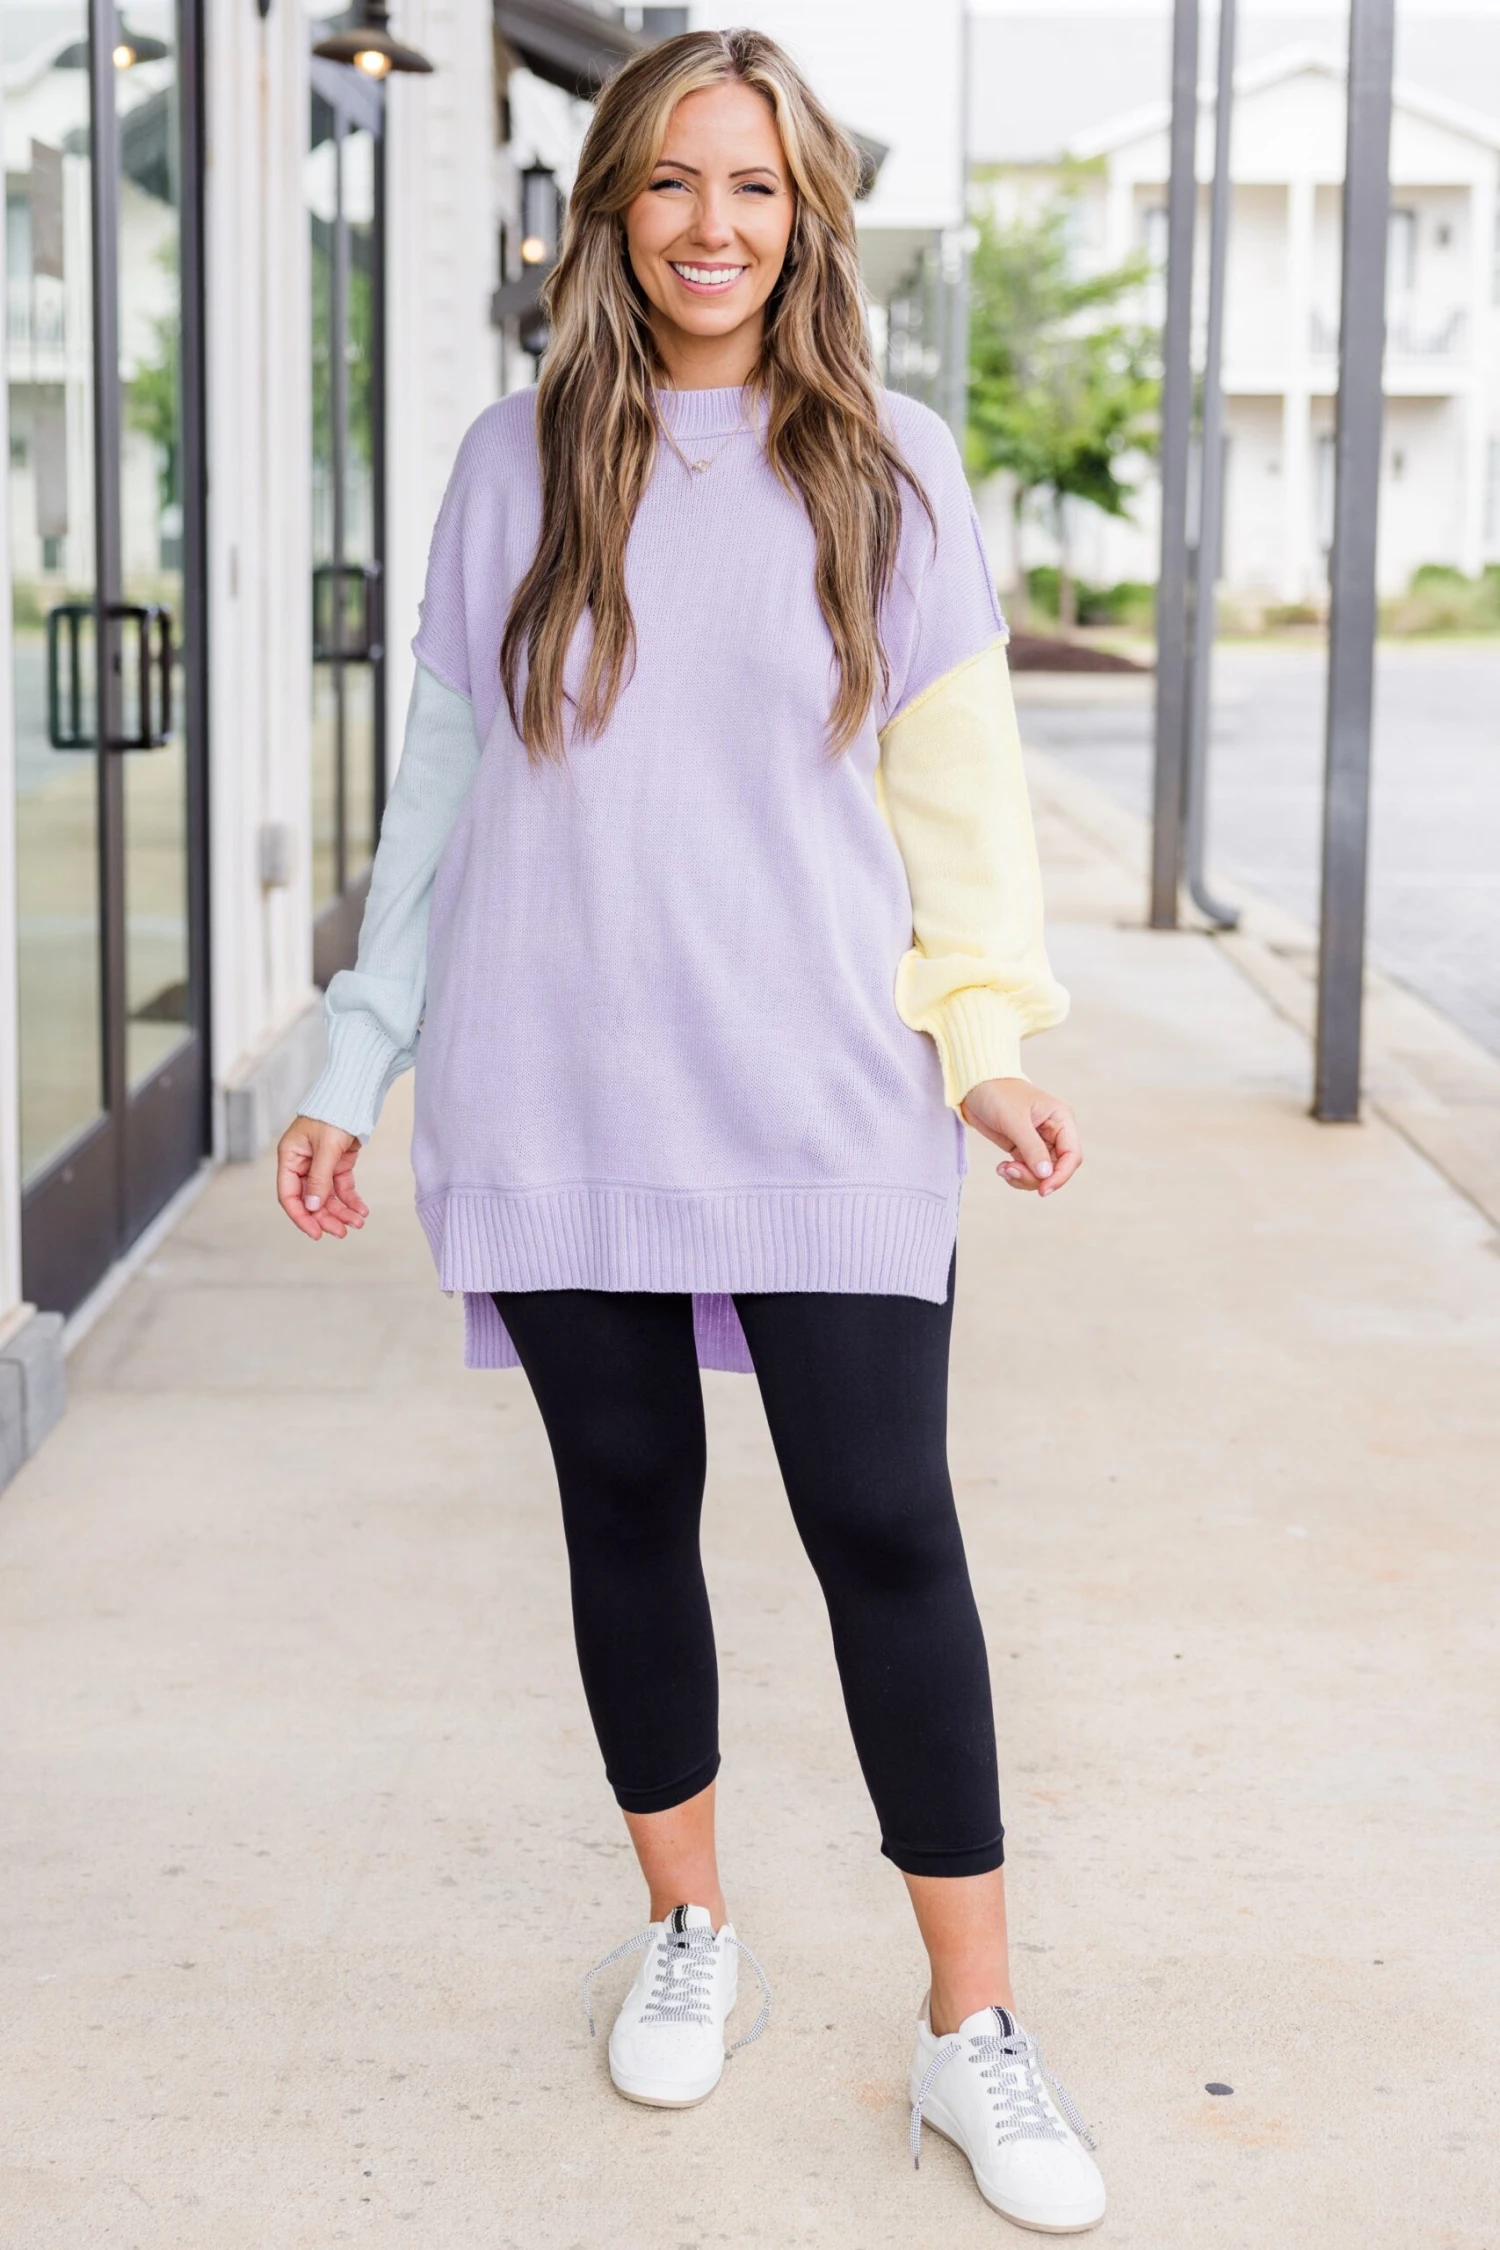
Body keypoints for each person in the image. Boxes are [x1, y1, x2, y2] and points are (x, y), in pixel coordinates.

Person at [276, 26, 1102, 2235]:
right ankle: (690, 1926)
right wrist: (358, 1055)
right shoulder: (511, 463)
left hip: (823, 1084)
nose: (711, 225)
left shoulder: (895, 467)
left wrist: (988, 1040)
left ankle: (973, 2029)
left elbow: (959, 807)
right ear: (610, 214)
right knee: (627, 1508)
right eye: (669, 182)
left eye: (753, 185)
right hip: (558, 1078)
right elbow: (443, 795)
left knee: (886, 1527)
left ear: (807, 217)